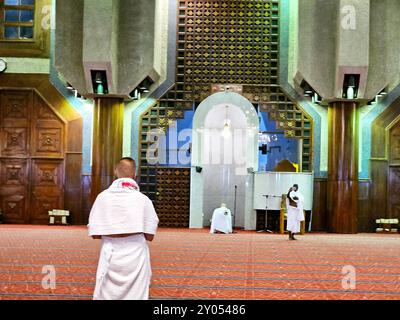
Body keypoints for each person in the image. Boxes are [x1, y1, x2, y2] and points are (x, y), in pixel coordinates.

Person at [88, 157, 159, 300]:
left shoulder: (102, 197)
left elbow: (95, 234)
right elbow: (150, 236)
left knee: (107, 293)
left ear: (115, 172)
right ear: (135, 174)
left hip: (110, 253)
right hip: (136, 255)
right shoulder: (143, 199)